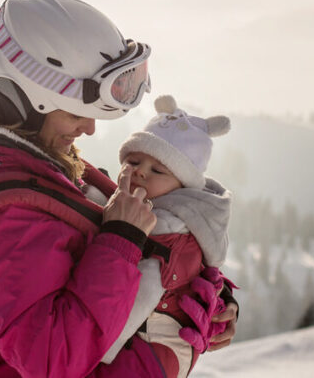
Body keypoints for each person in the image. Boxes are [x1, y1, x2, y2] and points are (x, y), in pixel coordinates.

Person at [0, 0, 237, 377]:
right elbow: (50, 359)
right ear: (28, 104)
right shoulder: (13, 212)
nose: (90, 128)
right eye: (75, 115)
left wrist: (203, 298)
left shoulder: (42, 167)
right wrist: (121, 238)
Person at [85, 95, 235, 378]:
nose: (140, 172)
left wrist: (98, 349)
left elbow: (146, 288)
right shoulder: (144, 203)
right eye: (133, 160)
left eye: (157, 170)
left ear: (180, 187)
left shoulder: (167, 227)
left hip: (154, 350)